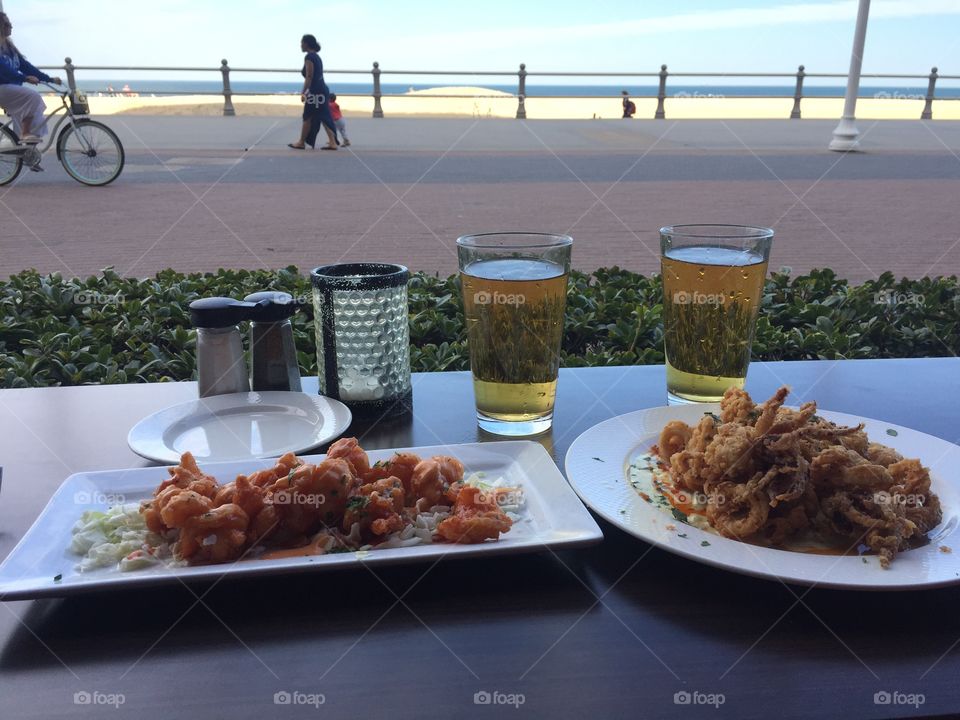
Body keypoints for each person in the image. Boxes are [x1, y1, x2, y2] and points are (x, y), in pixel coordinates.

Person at [0, 12, 62, 143]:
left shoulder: (10, 47)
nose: (11, 26)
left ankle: (27, 157)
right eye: (7, 24)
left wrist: (48, 79)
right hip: (2, 88)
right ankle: (25, 132)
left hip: (10, 89)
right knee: (33, 98)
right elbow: (3, 69)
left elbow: (26, 67)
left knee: (31, 121)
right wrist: (25, 78)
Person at [288, 34, 337, 150]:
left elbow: (309, 76)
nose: (300, 45)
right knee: (323, 116)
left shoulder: (309, 57)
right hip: (322, 90)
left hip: (315, 91)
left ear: (306, 43)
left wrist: (303, 92)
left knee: (308, 116)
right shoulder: (316, 56)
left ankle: (301, 142)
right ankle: (333, 142)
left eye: (302, 42)